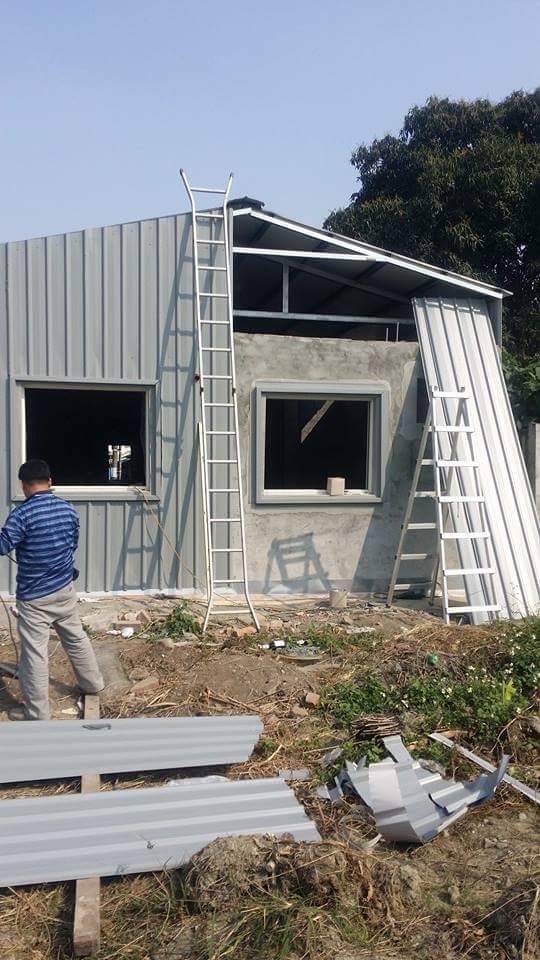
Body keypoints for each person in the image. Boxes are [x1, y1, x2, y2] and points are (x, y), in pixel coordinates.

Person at [0, 459, 104, 720]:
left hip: (34, 597)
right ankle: (92, 684)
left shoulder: (22, 515)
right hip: (64, 587)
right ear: (49, 481)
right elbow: (72, 544)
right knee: (76, 638)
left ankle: (37, 714)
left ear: (23, 486)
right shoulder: (68, 510)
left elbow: (3, 546)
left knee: (35, 653)